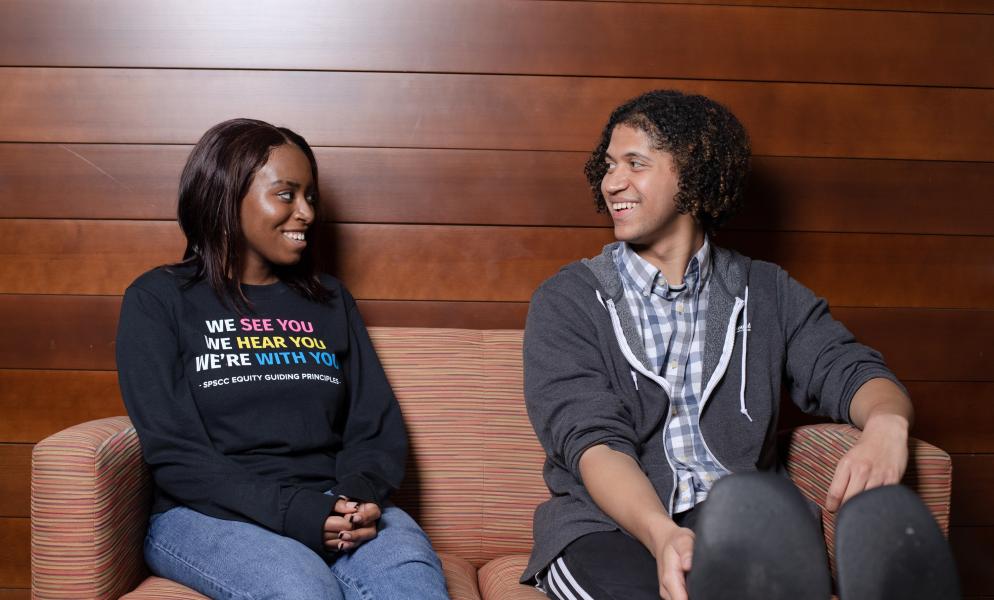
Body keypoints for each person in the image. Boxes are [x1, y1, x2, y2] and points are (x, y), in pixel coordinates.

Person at [521, 90, 959, 600]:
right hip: (608, 527)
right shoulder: (568, 300)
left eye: (635, 164)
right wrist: (663, 535)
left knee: (752, 518)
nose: (612, 181)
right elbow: (593, 442)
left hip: (738, 518)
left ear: (693, 174)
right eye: (609, 165)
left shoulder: (767, 291)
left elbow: (851, 370)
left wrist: (887, 425)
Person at [115, 118, 450, 600]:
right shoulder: (159, 298)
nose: (307, 213)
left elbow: (374, 426)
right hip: (206, 514)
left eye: (310, 196)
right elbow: (175, 452)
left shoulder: (330, 299)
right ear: (227, 195)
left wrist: (352, 501)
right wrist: (296, 513)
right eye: (287, 194)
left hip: (336, 503)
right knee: (301, 588)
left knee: (411, 582)